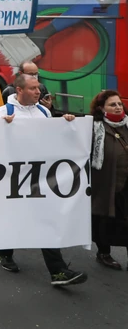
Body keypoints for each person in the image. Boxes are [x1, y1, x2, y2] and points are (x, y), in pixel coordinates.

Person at [0, 72, 86, 286]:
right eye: (33, 88)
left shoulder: (43, 111)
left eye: (38, 88)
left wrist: (67, 124)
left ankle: (58, 271)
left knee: (46, 220)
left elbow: (50, 140)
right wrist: (1, 130)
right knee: (13, 218)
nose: (38, 92)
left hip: (39, 179)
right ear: (19, 90)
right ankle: (5, 253)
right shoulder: (3, 113)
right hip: (13, 178)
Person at [90, 90, 128, 270]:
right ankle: (103, 253)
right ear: (101, 108)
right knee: (103, 220)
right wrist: (68, 120)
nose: (118, 107)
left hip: (125, 183)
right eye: (113, 104)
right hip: (104, 184)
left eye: (119, 103)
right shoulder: (94, 127)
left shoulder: (127, 124)